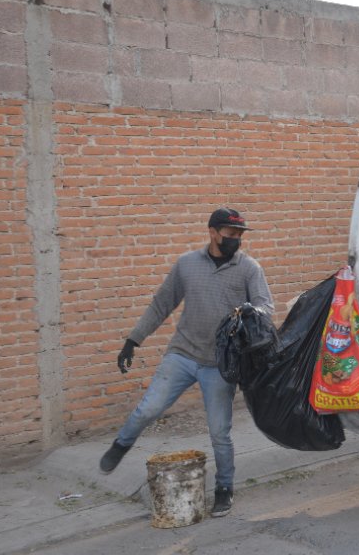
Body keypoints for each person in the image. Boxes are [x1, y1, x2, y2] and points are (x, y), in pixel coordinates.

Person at [98, 208, 273, 518]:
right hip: (182, 354)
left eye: (240, 236)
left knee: (220, 432)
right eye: (231, 235)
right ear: (213, 232)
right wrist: (132, 340)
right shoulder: (187, 265)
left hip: (220, 364)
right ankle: (122, 444)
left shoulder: (249, 269)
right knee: (147, 409)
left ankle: (224, 488)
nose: (237, 241)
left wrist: (250, 316)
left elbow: (265, 308)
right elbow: (161, 303)